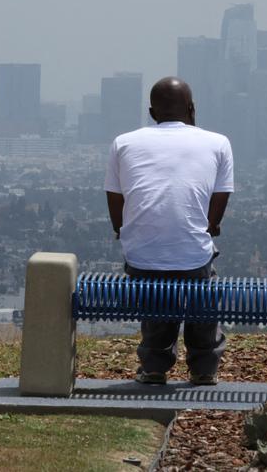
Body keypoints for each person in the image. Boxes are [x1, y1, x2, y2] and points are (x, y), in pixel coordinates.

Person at [105, 76, 234, 385]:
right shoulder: (217, 142)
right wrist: (211, 226)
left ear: (152, 113)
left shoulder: (124, 143)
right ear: (192, 109)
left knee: (156, 297)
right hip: (194, 258)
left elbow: (115, 197)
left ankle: (153, 366)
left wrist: (121, 230)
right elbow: (220, 198)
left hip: (142, 257)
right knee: (202, 279)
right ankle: (203, 368)